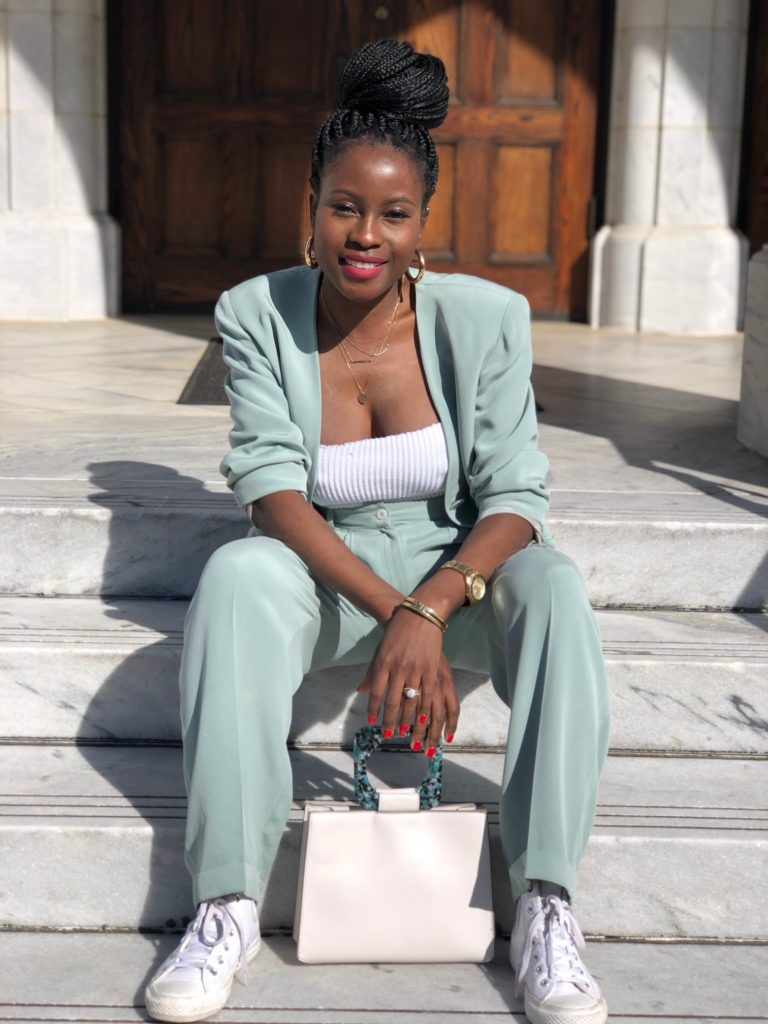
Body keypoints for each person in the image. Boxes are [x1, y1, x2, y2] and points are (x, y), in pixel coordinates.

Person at [144, 38, 611, 1024]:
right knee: (236, 575)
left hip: (454, 577)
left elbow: (518, 495)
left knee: (558, 587)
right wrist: (397, 611)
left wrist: (434, 607)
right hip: (325, 578)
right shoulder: (255, 313)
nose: (367, 234)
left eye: (394, 214)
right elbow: (270, 489)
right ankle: (226, 901)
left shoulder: (486, 318)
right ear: (308, 206)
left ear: (422, 222)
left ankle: (544, 901)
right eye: (344, 207)